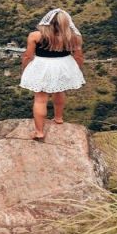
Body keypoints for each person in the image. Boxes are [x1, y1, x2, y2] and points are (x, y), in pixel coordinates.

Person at [19, 8, 85, 141]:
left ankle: (39, 132)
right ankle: (59, 118)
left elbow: (28, 56)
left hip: (43, 66)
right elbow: (78, 57)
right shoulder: (74, 37)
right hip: (63, 66)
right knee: (60, 91)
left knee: (40, 99)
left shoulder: (35, 36)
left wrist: (25, 69)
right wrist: (76, 70)